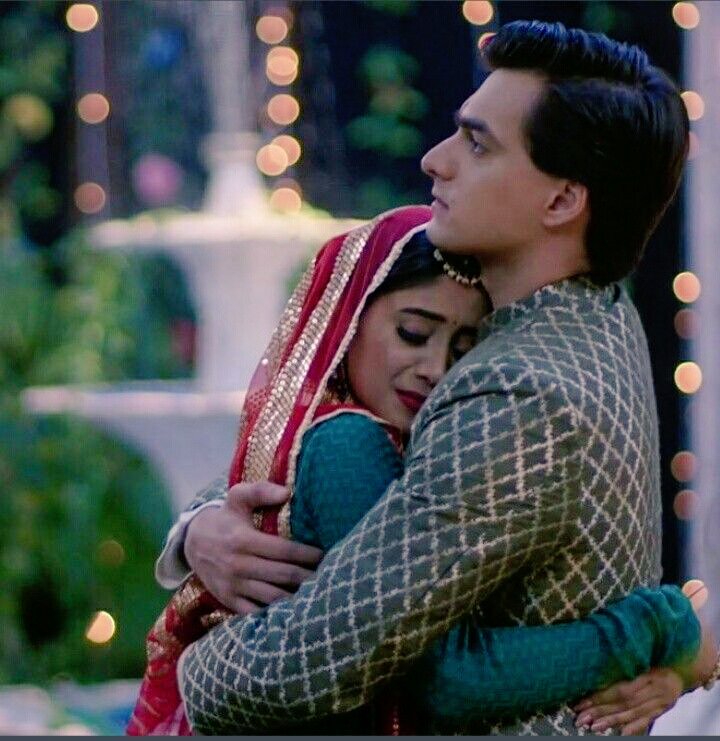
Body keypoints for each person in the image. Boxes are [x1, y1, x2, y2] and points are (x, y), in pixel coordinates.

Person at [174, 21, 719, 735]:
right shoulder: (601, 310)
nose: (435, 160)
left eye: (478, 144)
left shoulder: (517, 392)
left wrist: (194, 666)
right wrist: (198, 529)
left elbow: (313, 664)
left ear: (561, 202)